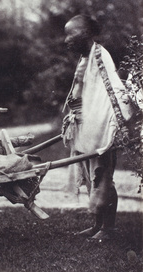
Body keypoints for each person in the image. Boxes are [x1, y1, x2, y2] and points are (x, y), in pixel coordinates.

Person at [61, 15, 130, 240]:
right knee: (93, 177)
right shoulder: (85, 58)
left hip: (102, 125)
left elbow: (109, 92)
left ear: (88, 34)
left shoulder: (100, 55)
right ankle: (98, 225)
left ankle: (108, 229)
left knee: (104, 177)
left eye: (71, 34)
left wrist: (107, 124)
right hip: (88, 126)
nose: (66, 40)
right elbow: (84, 93)